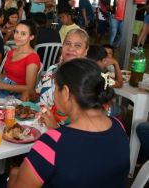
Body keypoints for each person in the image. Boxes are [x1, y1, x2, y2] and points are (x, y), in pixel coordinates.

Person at [8, 58, 129, 188]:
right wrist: (56, 129)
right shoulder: (119, 126)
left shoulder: (52, 143)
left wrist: (14, 174)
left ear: (65, 92)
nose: (54, 93)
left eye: (55, 87)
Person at [36, 28, 89, 124]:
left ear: (86, 51)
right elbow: (38, 94)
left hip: (66, 133)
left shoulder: (87, 79)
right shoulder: (53, 69)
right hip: (40, 122)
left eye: (78, 45)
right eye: (67, 43)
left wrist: (54, 128)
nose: (71, 48)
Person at [0, 20, 41, 100]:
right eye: (17, 32)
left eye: (23, 34)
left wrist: (3, 86)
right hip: (5, 89)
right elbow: (7, 75)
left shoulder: (32, 58)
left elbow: (30, 88)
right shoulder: (12, 52)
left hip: (18, 96)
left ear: (31, 37)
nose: (18, 36)